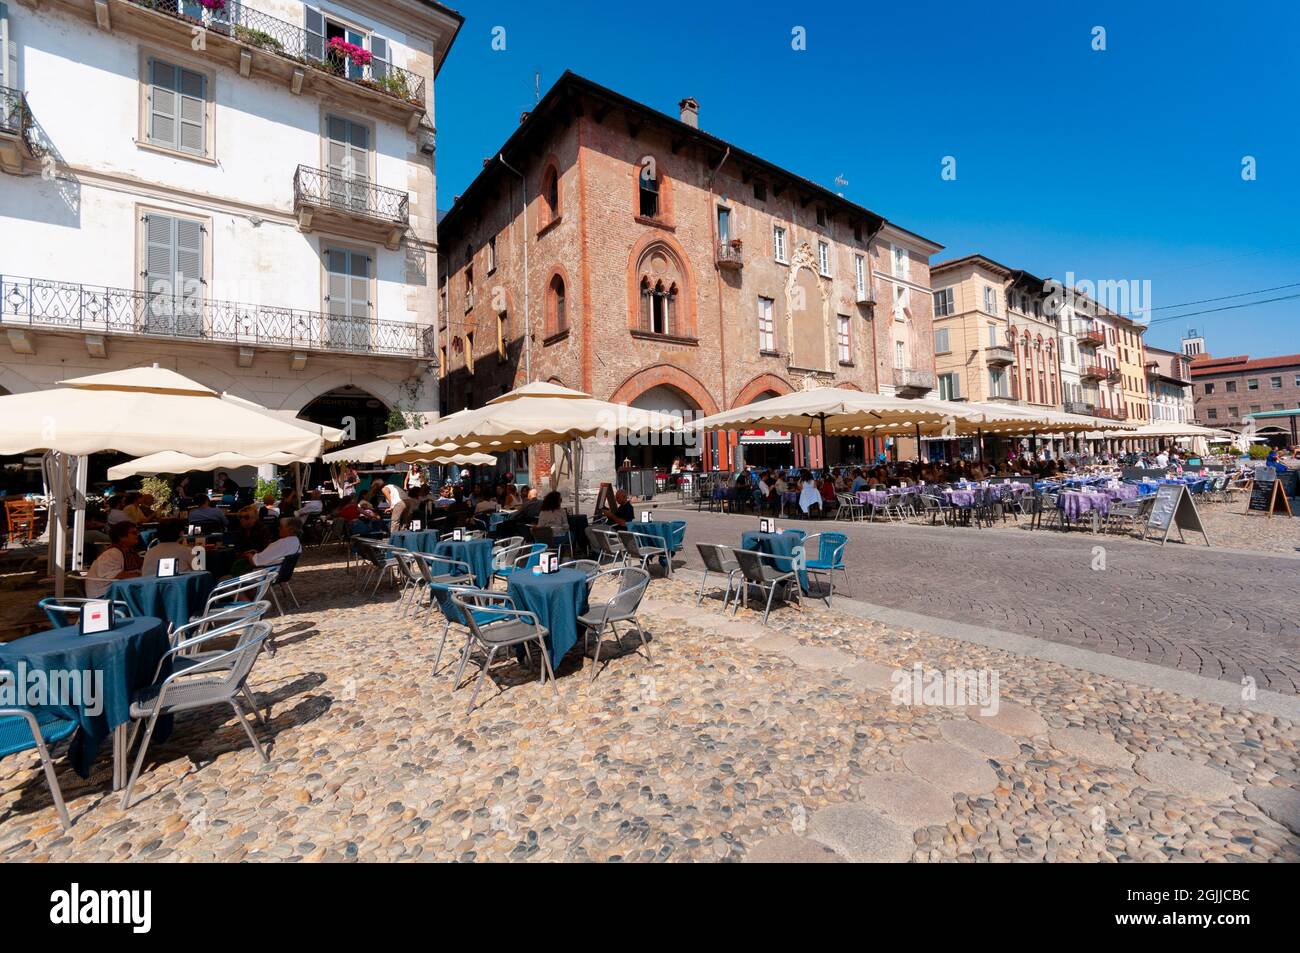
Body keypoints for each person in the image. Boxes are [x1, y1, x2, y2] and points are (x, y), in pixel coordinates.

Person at [86, 521, 143, 597]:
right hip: (103, 595)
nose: (137, 535)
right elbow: (117, 576)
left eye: (137, 532)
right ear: (122, 537)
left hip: (115, 592)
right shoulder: (112, 553)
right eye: (134, 533)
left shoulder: (128, 551)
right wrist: (140, 575)